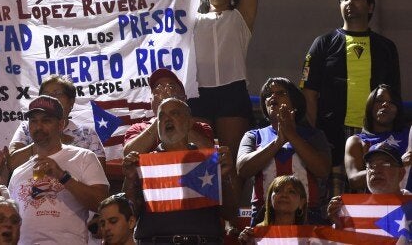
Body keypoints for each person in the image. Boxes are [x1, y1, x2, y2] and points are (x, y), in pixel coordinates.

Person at [299, 0, 401, 196]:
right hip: (331, 136)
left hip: (375, 137)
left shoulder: (386, 47)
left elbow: (393, 97)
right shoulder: (322, 43)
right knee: (333, 203)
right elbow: (309, 93)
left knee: (377, 203)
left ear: (371, 6)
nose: (350, 2)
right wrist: (314, 134)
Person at [123, 98, 239, 244]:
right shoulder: (142, 164)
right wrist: (129, 179)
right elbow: (129, 214)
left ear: (190, 123)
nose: (167, 119)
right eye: (161, 116)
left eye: (174, 113)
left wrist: (224, 178)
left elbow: (230, 213)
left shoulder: (208, 161)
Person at [187, 0, 259, 163]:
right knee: (200, 162)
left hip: (232, 92)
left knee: (232, 159)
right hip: (198, 93)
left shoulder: (240, 17)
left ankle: (234, 201)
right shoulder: (191, 20)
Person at [2, 95, 109, 244]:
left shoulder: (84, 157)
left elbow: (102, 203)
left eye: (46, 120)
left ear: (61, 125)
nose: (38, 127)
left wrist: (63, 176)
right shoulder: (18, 172)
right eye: (33, 121)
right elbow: (9, 221)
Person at [237, 77, 331, 225]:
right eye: (268, 94)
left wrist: (291, 135)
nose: (273, 96)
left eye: (281, 93)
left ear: (295, 103)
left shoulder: (314, 135)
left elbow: (323, 170)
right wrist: (278, 142)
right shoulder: (253, 136)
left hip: (307, 218)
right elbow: (243, 169)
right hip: (264, 218)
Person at [9, 75, 106, 171]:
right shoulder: (27, 127)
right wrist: (43, 143)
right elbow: (12, 164)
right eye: (45, 94)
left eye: (57, 94)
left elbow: (99, 176)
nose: (50, 98)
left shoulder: (87, 134)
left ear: (71, 102)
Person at [123, 68, 214, 156]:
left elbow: (211, 154)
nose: (165, 92)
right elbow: (128, 156)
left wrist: (172, 105)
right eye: (158, 89)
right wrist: (162, 114)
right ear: (151, 102)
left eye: (171, 87)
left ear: (184, 98)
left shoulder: (200, 127)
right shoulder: (137, 129)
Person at [328, 142, 411, 229]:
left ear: (401, 173)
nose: (376, 170)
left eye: (384, 164)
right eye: (371, 166)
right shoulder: (354, 212)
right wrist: (339, 225)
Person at [345, 84, 411, 191]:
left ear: (398, 110)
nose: (385, 104)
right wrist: (398, 165)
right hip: (377, 204)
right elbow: (354, 180)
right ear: (370, 105)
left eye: (392, 102)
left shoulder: (409, 134)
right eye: (379, 100)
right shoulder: (357, 141)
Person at [238, 175, 308, 244]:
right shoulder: (255, 235)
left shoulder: (310, 236)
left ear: (301, 203)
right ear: (270, 201)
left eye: (291, 191)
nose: (284, 195)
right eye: (278, 190)